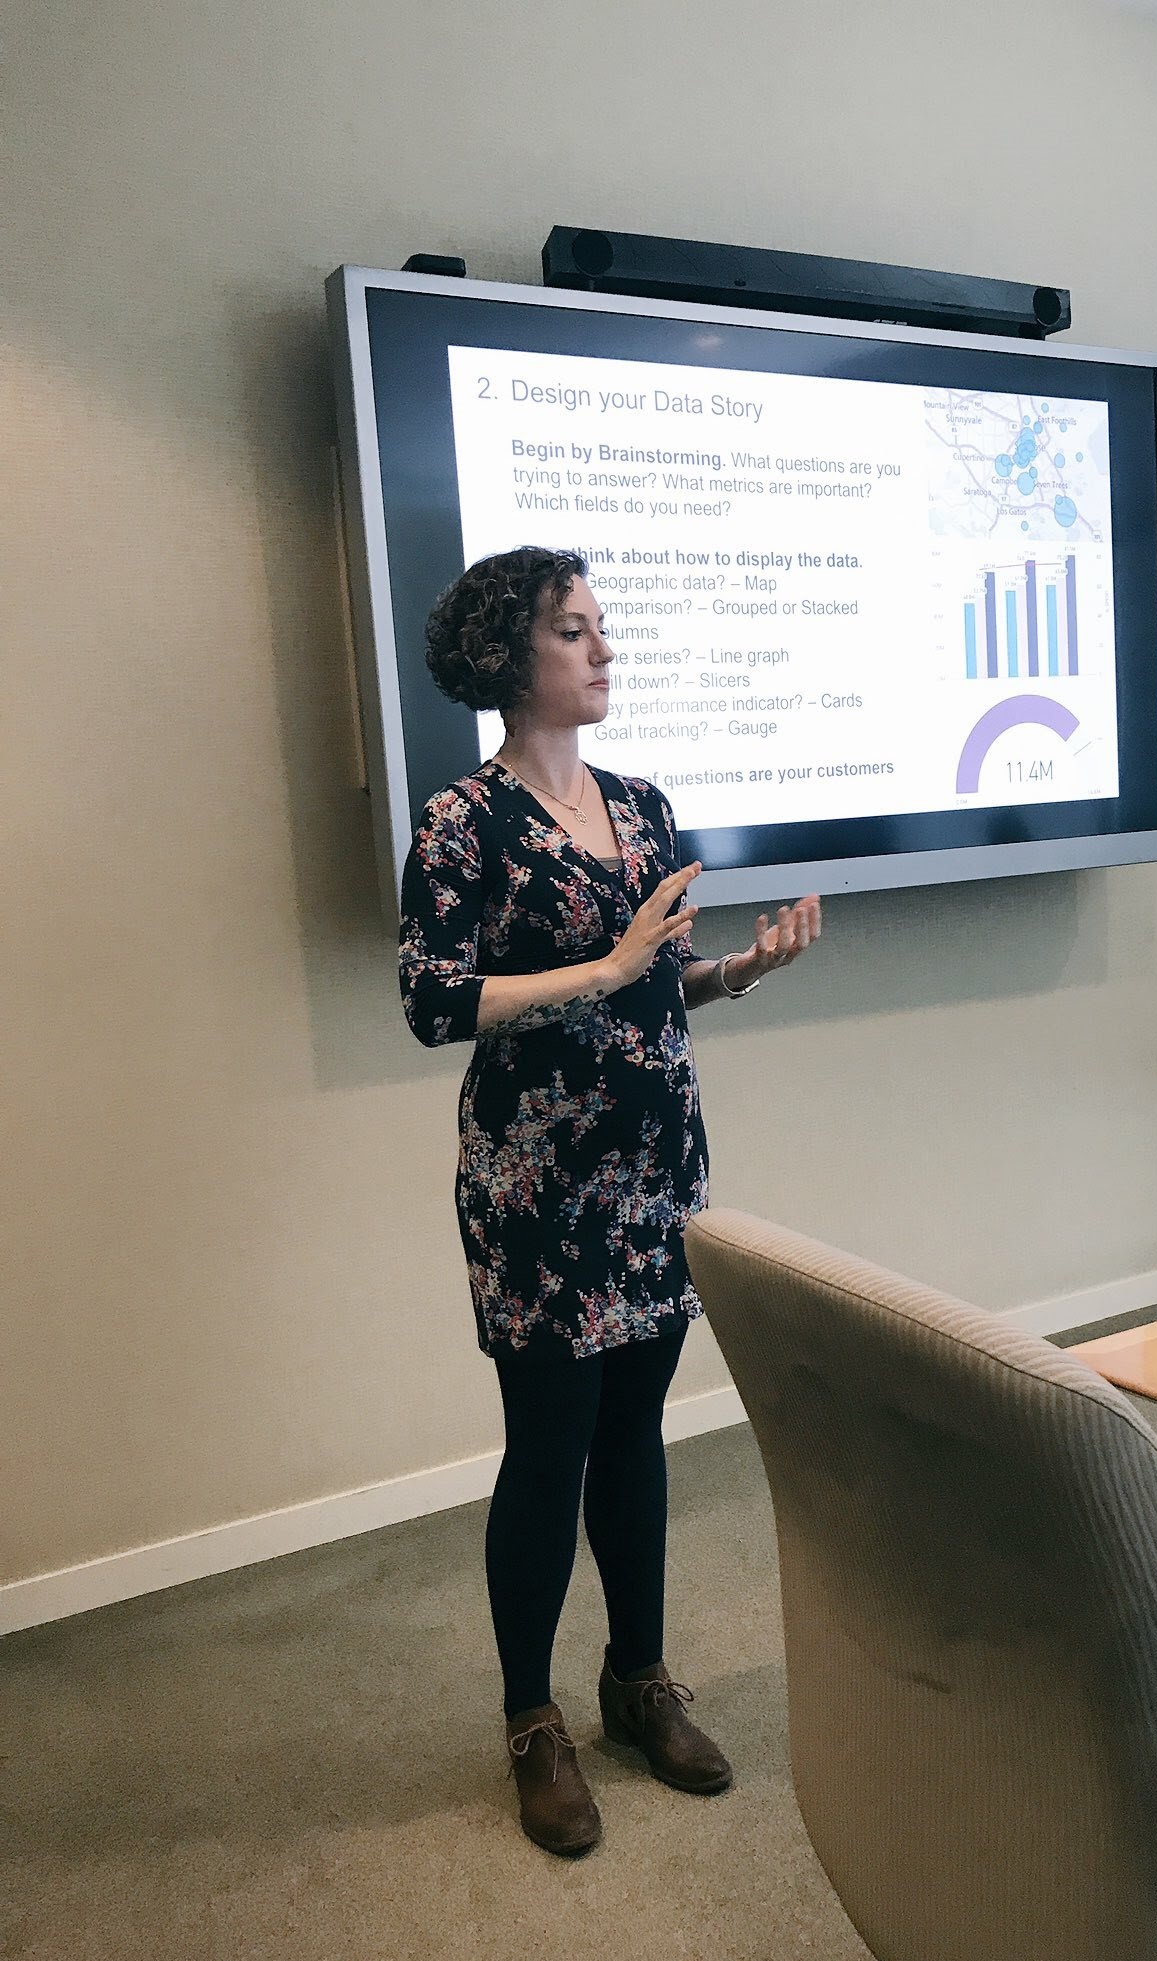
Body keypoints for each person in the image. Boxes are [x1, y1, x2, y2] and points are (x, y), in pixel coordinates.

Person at [398, 546, 822, 1856]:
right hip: (536, 1186)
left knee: (636, 1432)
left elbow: (656, 983)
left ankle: (639, 1680)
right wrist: (605, 966)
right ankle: (532, 1721)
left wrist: (733, 973)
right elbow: (434, 1003)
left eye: (602, 626)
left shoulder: (642, 806)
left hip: (653, 1168)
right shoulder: (463, 820)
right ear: (509, 656)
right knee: (550, 1445)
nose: (604, 648)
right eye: (575, 630)